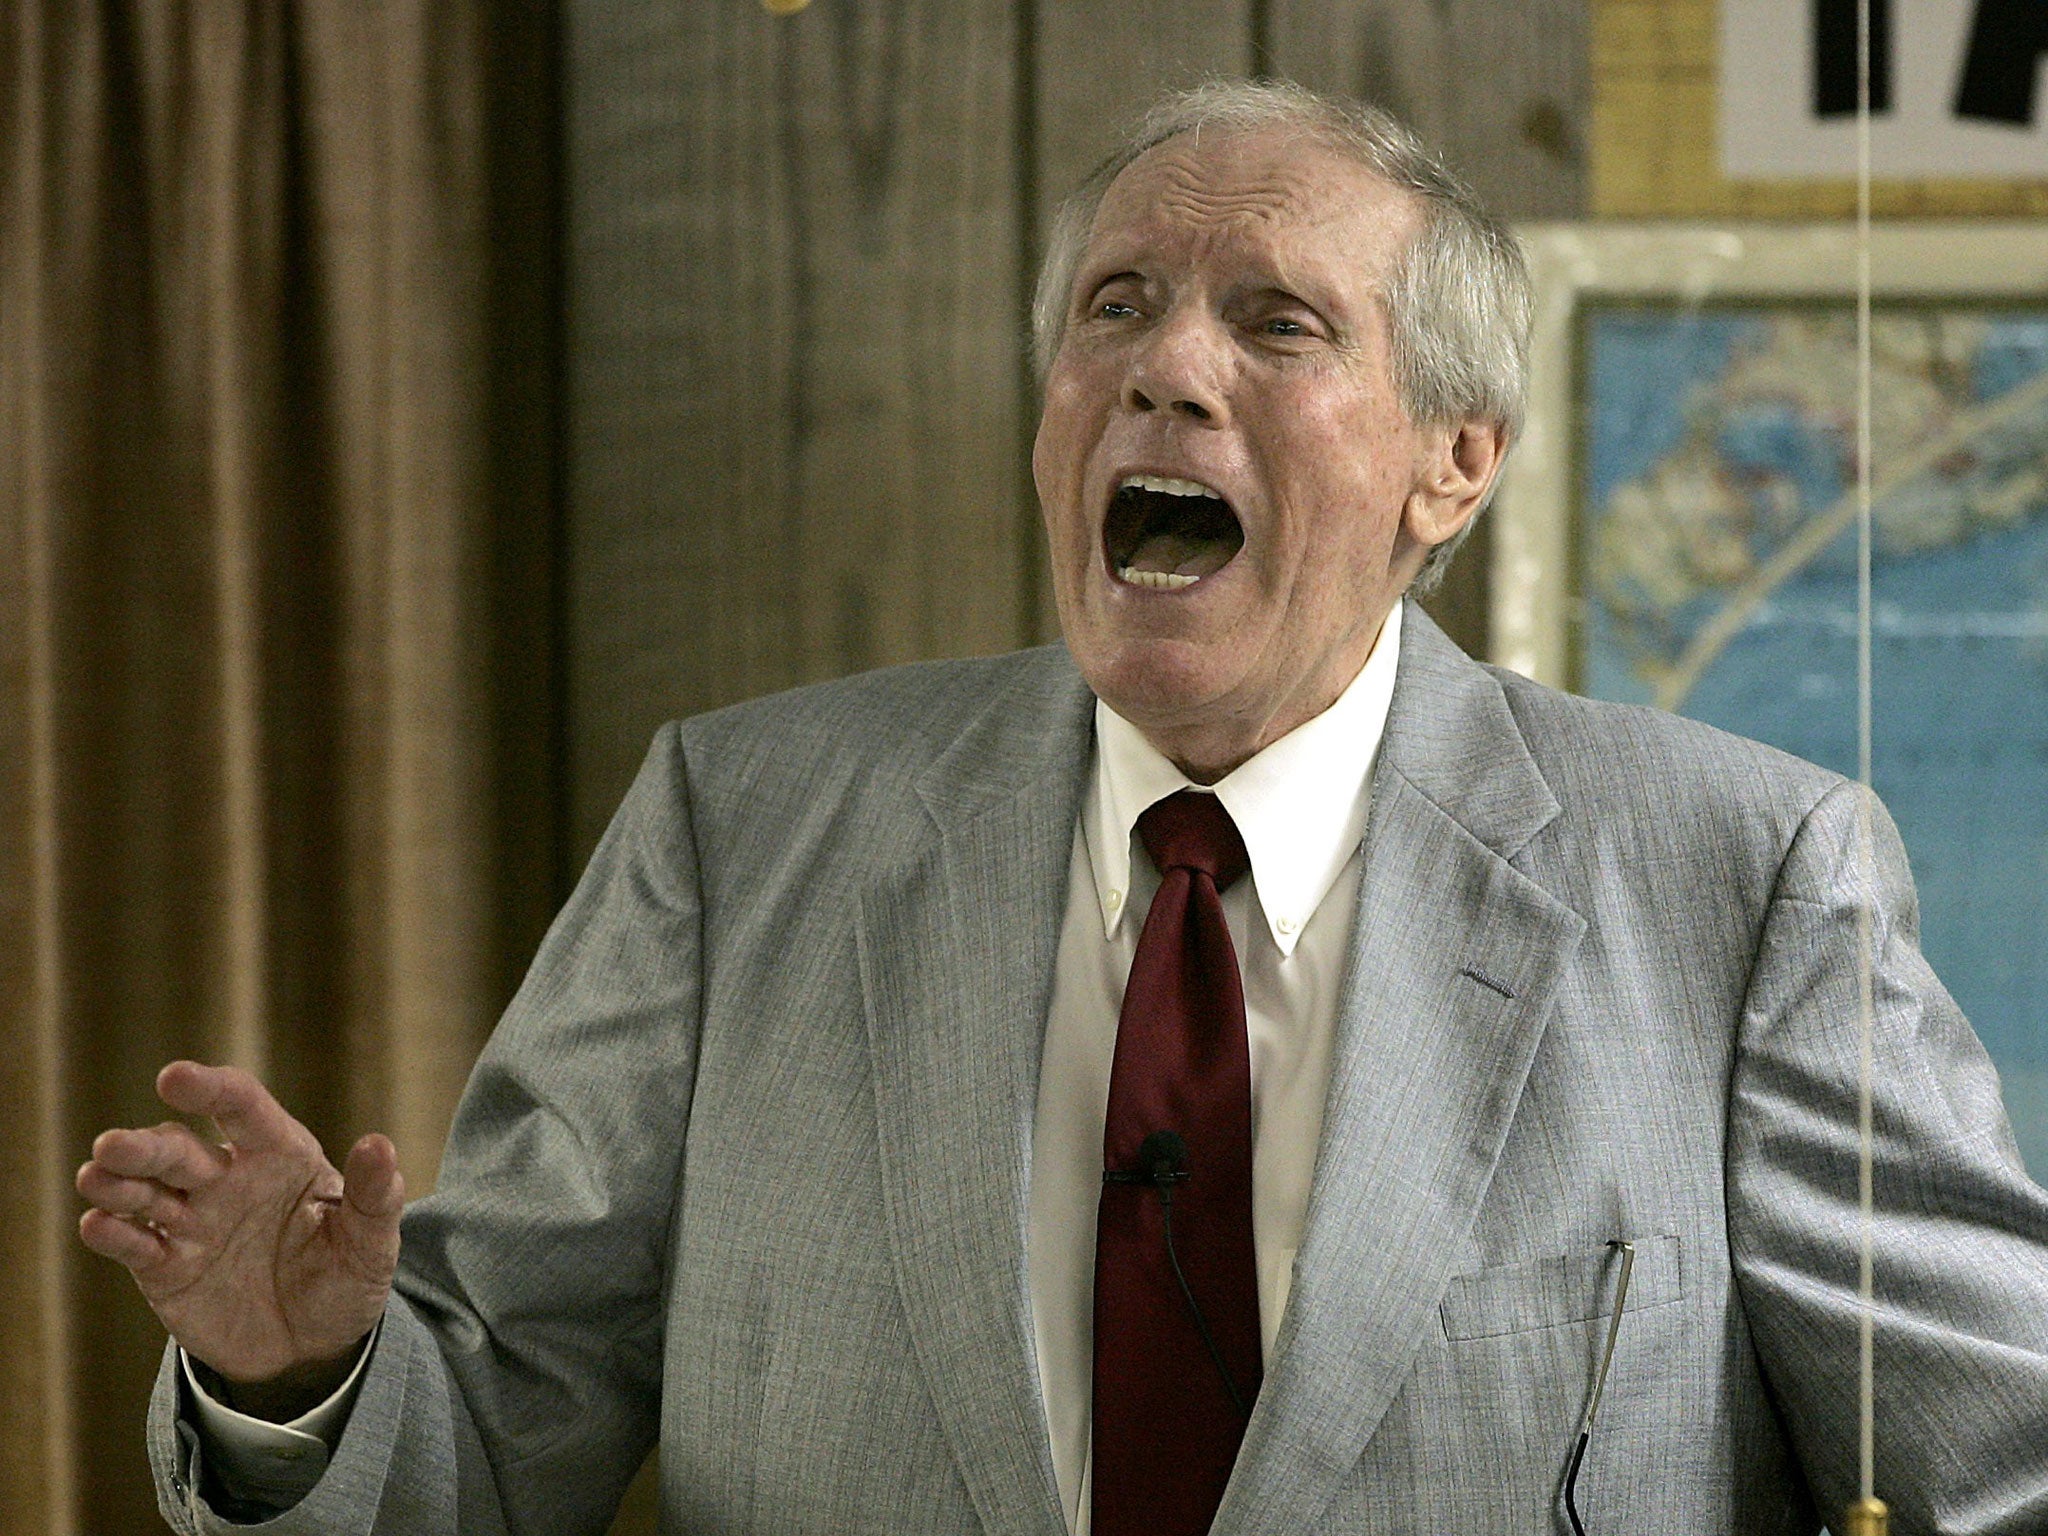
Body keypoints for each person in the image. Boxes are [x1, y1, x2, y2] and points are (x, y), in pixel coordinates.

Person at [79, 81, 2048, 1536]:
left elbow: (2003, 1461)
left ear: (1453, 465)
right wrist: (300, 1375)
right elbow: (484, 1447)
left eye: (1276, 323)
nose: (1164, 371)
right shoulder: (737, 827)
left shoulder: (1739, 874)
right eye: (1115, 307)